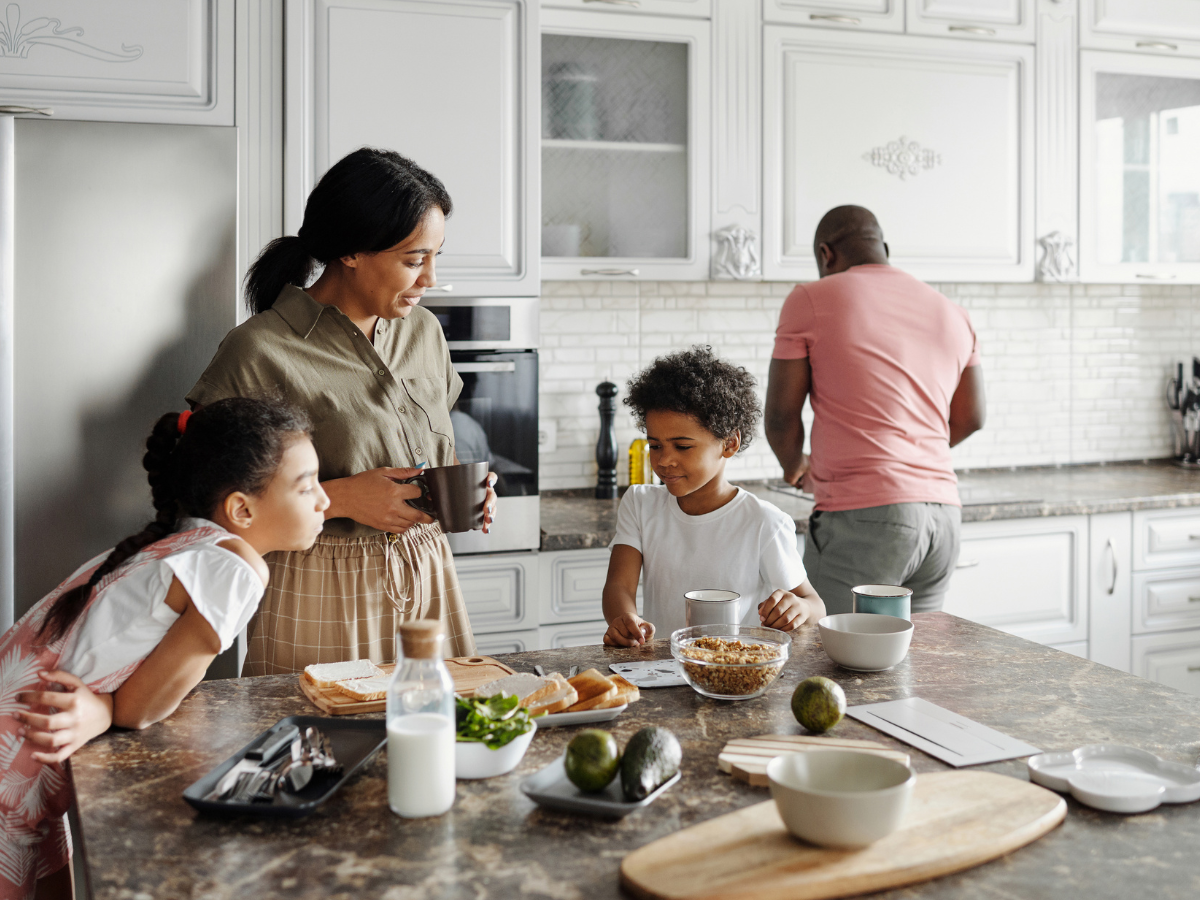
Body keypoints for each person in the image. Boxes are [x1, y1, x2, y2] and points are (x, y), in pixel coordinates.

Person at [0, 398, 327, 900]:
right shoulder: (235, 568)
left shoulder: (180, 545)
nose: (324, 500)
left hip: (25, 760)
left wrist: (103, 707)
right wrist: (106, 709)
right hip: (15, 768)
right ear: (241, 509)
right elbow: (140, 709)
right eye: (307, 486)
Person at [187, 148, 495, 674]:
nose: (430, 278)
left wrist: (466, 491)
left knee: (436, 722)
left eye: (435, 257)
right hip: (317, 584)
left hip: (428, 572)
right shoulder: (260, 349)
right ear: (351, 251)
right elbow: (207, 502)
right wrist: (339, 499)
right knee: (318, 726)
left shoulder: (424, 333)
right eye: (414, 260)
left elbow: (426, 445)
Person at [765, 206, 986, 615]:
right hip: (943, 519)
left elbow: (780, 416)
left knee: (827, 646)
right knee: (917, 650)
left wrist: (795, 466)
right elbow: (972, 418)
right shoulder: (952, 312)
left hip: (865, 515)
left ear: (826, 254)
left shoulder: (811, 298)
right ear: (883, 247)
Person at [601, 347, 825, 647]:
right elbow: (618, 585)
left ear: (729, 444)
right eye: (655, 446)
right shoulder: (640, 504)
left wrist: (799, 609)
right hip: (663, 665)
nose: (664, 460)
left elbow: (814, 604)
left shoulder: (764, 522)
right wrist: (625, 619)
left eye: (682, 446)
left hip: (734, 666)